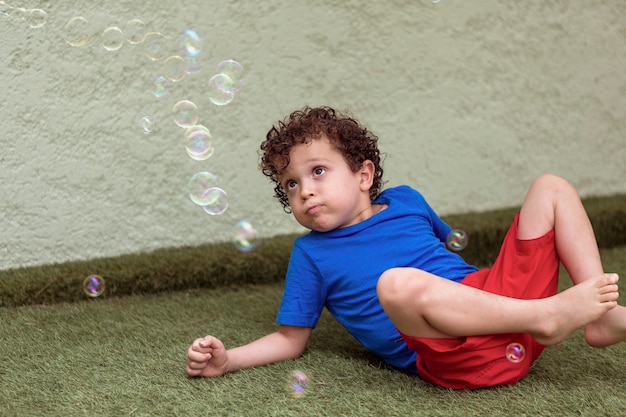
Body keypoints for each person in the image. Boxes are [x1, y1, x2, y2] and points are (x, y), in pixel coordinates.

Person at [186, 106, 623, 389]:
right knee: (395, 283)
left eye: (318, 171)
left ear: (363, 175)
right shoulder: (311, 255)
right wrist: (229, 360)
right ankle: (546, 316)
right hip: (457, 356)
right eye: (292, 184)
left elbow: (452, 252)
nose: (305, 191)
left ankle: (601, 317)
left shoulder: (407, 200)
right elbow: (289, 339)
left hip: (497, 306)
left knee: (551, 187)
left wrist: (504, 287)